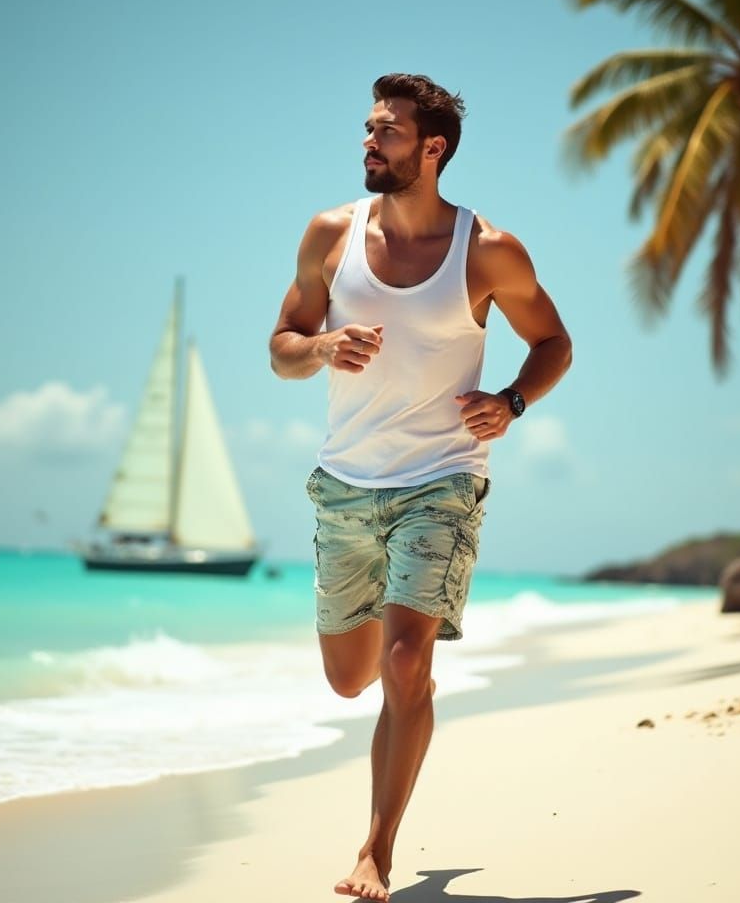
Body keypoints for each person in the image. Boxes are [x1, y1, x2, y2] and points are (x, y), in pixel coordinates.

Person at [269, 73, 572, 900]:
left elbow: (553, 342)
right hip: (344, 486)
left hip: (441, 481)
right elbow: (282, 346)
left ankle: (378, 851)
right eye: (368, 129)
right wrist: (323, 347)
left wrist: (511, 401)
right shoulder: (330, 234)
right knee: (349, 677)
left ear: (432, 148)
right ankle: (398, 711)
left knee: (407, 665)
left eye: (388, 132)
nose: (370, 142)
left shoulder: (489, 251)